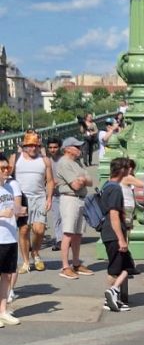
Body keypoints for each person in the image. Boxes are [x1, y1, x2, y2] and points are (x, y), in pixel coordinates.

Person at [12, 131, 53, 274]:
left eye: (35, 146)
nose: (33, 149)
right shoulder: (16, 158)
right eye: (30, 146)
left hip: (39, 198)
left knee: (39, 230)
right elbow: (6, 174)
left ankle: (35, 253)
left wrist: (49, 198)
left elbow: (50, 181)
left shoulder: (44, 160)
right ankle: (25, 261)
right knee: (24, 231)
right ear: (24, 146)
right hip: (21, 199)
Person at [55, 137, 94, 280]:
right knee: (68, 233)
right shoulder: (64, 163)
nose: (80, 149)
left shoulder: (78, 162)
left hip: (80, 199)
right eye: (76, 147)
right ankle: (65, 266)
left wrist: (82, 179)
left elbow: (89, 181)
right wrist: (81, 179)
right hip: (69, 199)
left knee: (78, 234)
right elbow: (75, 185)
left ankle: (76, 263)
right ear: (68, 149)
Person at [99, 158, 135, 313]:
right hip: (114, 233)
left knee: (119, 267)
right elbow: (114, 215)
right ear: (122, 171)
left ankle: (113, 297)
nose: (130, 172)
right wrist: (121, 239)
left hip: (107, 232)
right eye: (128, 169)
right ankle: (113, 291)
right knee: (125, 266)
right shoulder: (115, 189)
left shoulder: (107, 185)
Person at [0, 159, 24, 326]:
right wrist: (2, 213)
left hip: (10, 236)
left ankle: (2, 310)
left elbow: (15, 206)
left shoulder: (10, 185)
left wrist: (19, 211)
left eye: (8, 167)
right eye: (2, 167)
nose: (6, 170)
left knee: (7, 275)